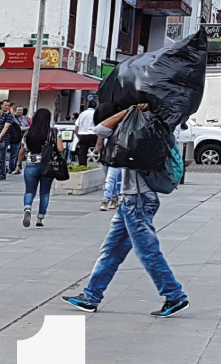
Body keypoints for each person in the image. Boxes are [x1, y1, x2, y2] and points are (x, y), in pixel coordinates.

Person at [65, 105, 186, 317]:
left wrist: (128, 112)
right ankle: (92, 296)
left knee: (147, 251)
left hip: (137, 200)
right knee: (111, 249)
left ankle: (174, 294)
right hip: (131, 200)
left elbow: (100, 130)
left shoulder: (144, 130)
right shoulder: (157, 129)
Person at [20, 107, 61, 227]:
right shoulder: (54, 132)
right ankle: (40, 219)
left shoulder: (28, 133)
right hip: (47, 165)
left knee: (29, 191)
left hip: (31, 163)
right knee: (44, 193)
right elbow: (60, 149)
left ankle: (27, 207)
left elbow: (22, 150)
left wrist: (18, 164)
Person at [0, 104, 23, 180]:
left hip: (3, 139)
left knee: (2, 157)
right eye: (5, 105)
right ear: (1, 106)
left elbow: (6, 127)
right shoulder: (0, 115)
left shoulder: (9, 116)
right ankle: (2, 171)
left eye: (8, 106)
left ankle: (2, 174)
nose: (6, 107)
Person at [73, 102, 100, 167]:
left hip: (83, 135)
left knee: (82, 152)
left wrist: (79, 136)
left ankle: (82, 166)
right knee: (99, 148)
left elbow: (76, 127)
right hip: (94, 135)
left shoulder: (82, 114)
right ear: (96, 106)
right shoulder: (96, 114)